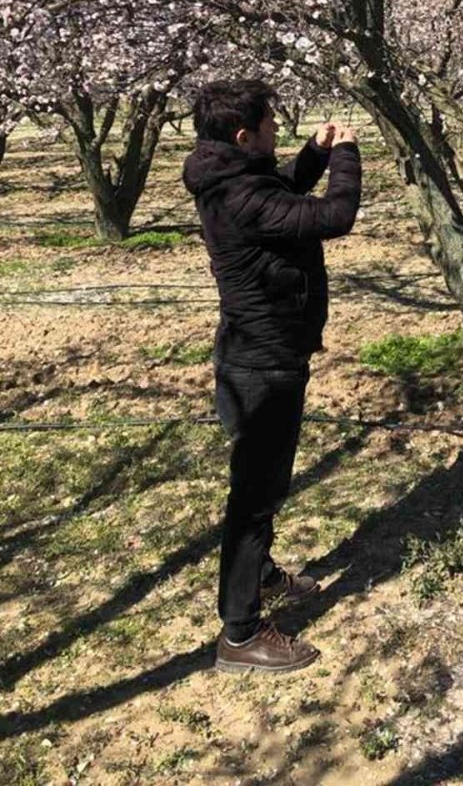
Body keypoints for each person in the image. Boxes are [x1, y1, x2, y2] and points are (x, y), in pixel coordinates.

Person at [183, 79, 361, 672]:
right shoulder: (240, 197)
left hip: (251, 353)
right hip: (264, 362)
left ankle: (258, 573)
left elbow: (279, 190)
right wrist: (347, 155)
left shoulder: (229, 179)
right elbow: (333, 216)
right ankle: (241, 633)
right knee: (255, 496)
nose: (275, 131)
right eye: (268, 126)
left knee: (258, 483)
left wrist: (313, 151)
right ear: (243, 137)